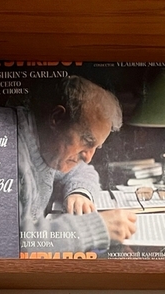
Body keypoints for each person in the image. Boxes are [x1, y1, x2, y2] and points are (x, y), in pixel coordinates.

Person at [18, 75, 137, 254]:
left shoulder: (47, 146)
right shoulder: (11, 151)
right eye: (87, 141)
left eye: (96, 147)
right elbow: (17, 243)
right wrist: (97, 227)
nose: (88, 157)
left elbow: (83, 171)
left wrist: (79, 192)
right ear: (57, 118)